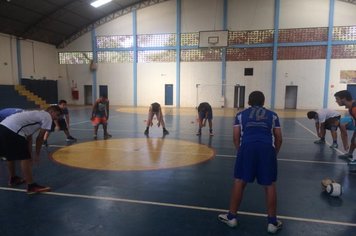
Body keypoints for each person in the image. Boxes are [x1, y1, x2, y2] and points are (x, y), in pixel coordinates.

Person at [218, 91, 283, 234]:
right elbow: (279, 138)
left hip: (247, 148)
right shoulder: (273, 115)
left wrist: (241, 151)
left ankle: (231, 217)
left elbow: (236, 137)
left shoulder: (241, 115)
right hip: (267, 149)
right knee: (269, 184)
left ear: (248, 101)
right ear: (263, 101)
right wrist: (273, 154)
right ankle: (272, 223)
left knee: (239, 181)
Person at [0, 105, 62, 193]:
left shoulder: (35, 115)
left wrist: (29, 153)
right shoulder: (47, 116)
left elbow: (29, 137)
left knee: (11, 156)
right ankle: (31, 186)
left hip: (3, 127)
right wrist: (36, 154)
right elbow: (40, 138)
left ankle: (13, 178)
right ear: (51, 112)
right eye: (57, 115)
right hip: (13, 130)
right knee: (24, 158)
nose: (57, 118)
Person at [334, 90, 356, 164]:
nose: (336, 101)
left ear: (344, 98)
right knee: (353, 140)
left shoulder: (354, 108)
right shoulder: (351, 108)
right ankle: (349, 154)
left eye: (337, 99)